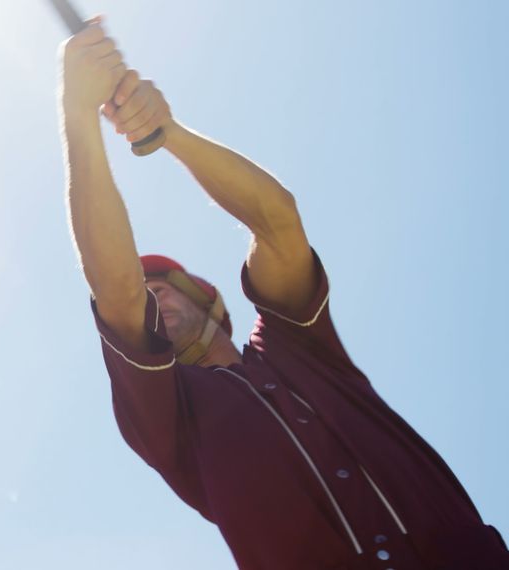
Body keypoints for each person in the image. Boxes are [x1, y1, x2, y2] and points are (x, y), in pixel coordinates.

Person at [58, 17, 509, 570]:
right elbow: (117, 291)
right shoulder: (170, 417)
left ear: (211, 306)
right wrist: (80, 113)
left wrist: (165, 130)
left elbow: (278, 222)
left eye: (163, 288)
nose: (152, 300)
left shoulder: (298, 346)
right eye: (145, 293)